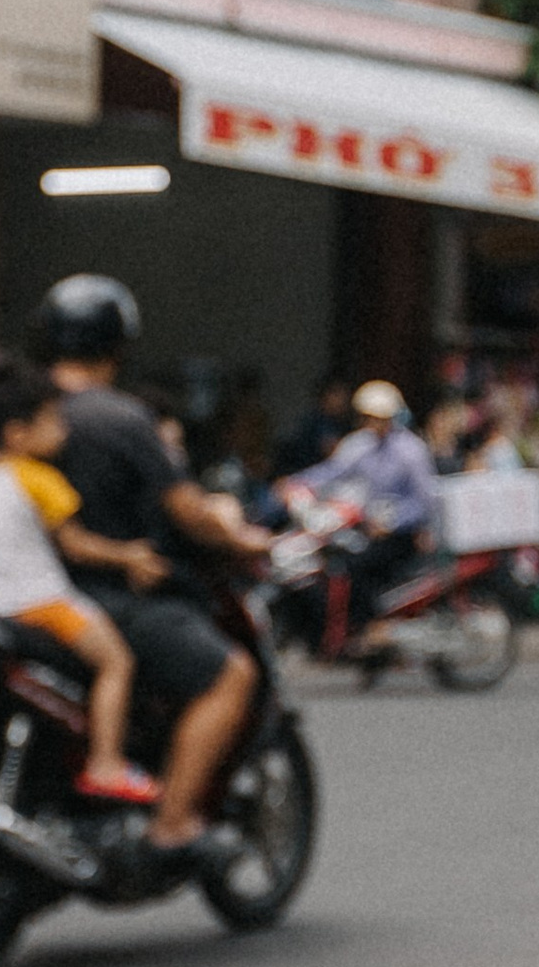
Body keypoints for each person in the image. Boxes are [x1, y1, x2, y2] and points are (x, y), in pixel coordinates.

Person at [32, 277, 268, 856]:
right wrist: (238, 538)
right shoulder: (123, 419)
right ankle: (174, 823)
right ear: (116, 345)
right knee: (231, 675)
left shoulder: (19, 412)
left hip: (21, 598)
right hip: (107, 598)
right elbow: (186, 510)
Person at [0, 356, 155, 803]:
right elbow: (78, 546)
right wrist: (130, 555)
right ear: (17, 434)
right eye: (52, 420)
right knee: (116, 662)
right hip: (42, 603)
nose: (63, 430)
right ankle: (106, 765)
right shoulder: (40, 479)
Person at [294, 378, 440, 633]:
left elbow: (425, 501)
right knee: (336, 558)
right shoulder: (361, 445)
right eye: (368, 417)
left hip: (402, 535)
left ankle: (373, 628)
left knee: (356, 567)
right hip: (368, 528)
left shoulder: (411, 451)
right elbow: (334, 472)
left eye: (379, 417)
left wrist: (393, 523)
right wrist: (296, 484)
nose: (373, 423)